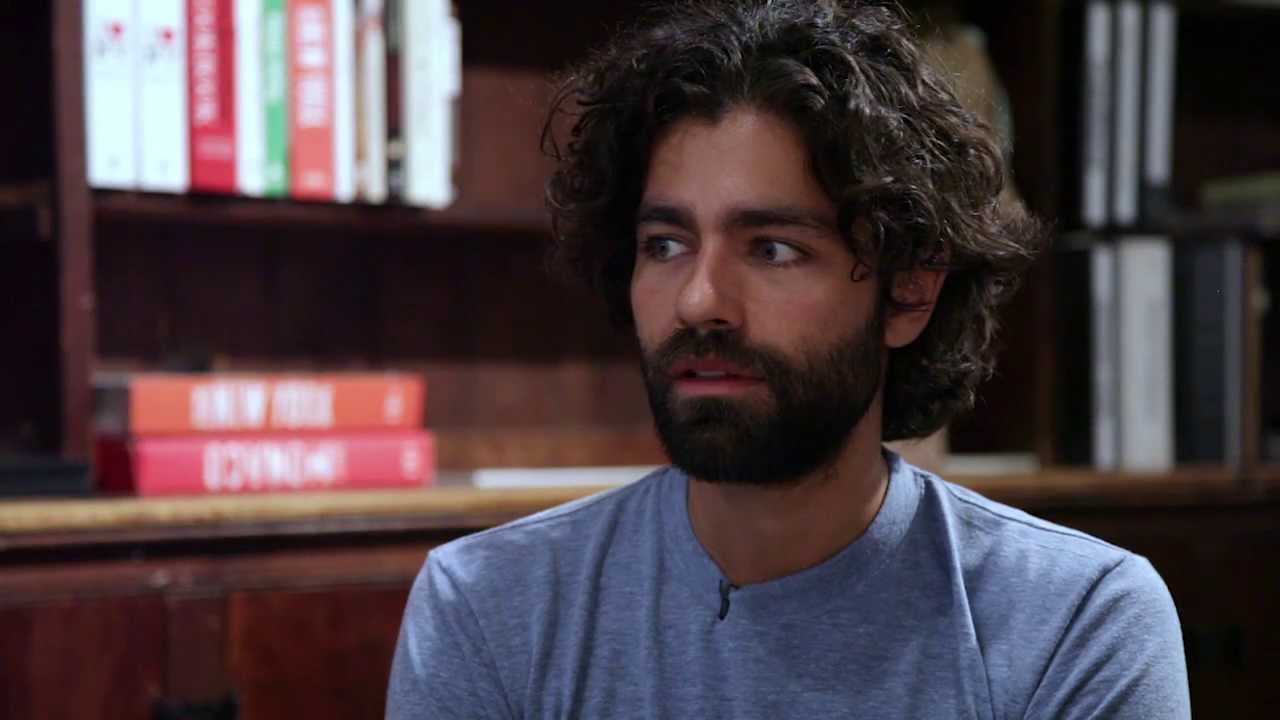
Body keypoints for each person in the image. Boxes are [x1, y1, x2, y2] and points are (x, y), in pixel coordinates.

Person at [386, 1, 1191, 717]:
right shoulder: (490, 606)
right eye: (665, 244)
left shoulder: (1074, 622)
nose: (699, 301)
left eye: (772, 248)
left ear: (910, 290)